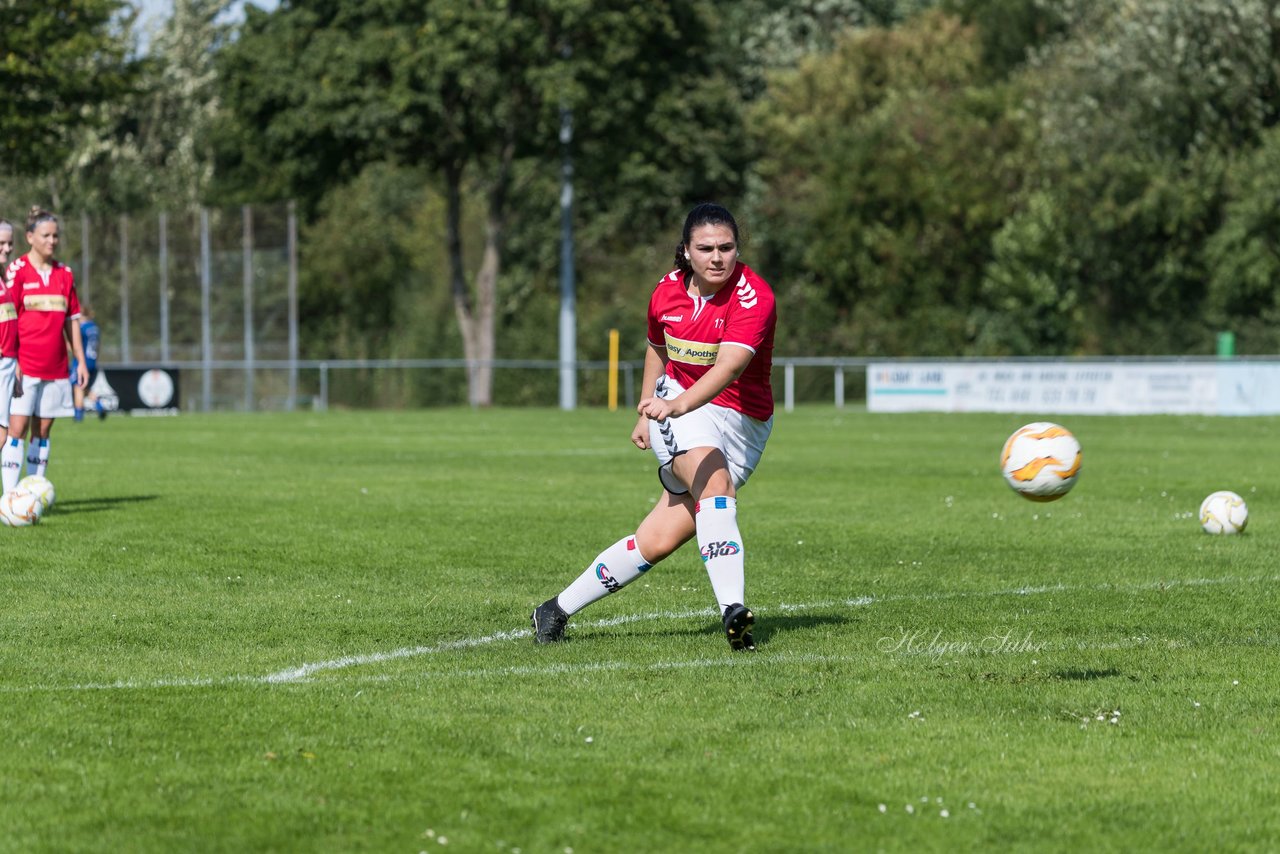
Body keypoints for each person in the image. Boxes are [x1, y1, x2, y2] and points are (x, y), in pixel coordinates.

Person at [531, 203, 777, 651]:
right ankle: (733, 613)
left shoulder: (754, 296)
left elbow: (729, 368)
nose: (717, 257)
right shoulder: (665, 292)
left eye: (727, 247)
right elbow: (657, 348)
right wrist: (652, 408)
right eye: (705, 248)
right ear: (685, 251)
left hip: (744, 424)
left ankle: (554, 609)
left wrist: (673, 404)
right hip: (684, 410)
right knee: (716, 487)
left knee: (657, 540)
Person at [1, 207, 89, 491]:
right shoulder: (17, 271)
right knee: (16, 430)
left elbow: (72, 319)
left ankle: (34, 493)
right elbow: (9, 317)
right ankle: (11, 497)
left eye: (55, 236)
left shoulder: (65, 274)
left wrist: (81, 360)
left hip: (56, 367)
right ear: (30, 237)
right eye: (46, 235)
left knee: (43, 430)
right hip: (24, 365)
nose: (52, 241)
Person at [71, 306, 105, 421]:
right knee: (83, 386)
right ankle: (98, 403)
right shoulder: (95, 327)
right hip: (92, 361)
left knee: (78, 387)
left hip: (82, 362)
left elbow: (75, 343)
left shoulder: (81, 327)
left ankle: (78, 416)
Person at [0, 221, 17, 437]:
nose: (7, 248)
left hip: (8, 362)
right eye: (1, 243)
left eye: (10, 243)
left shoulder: (3, 276)